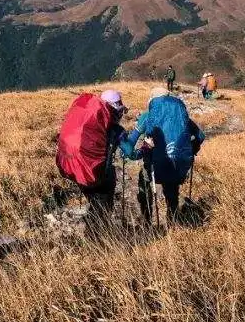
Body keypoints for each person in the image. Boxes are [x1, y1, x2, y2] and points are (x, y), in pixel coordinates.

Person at [121, 88, 205, 225]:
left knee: (144, 183)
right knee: (171, 191)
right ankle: (173, 222)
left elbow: (131, 142)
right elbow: (201, 136)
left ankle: (146, 220)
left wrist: (127, 148)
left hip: (154, 165)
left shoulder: (148, 117)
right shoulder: (182, 118)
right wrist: (191, 149)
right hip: (176, 163)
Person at [55, 90, 132, 237]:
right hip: (97, 175)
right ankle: (94, 239)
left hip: (78, 169)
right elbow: (130, 153)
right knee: (102, 206)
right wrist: (146, 147)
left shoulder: (88, 123)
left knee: (94, 201)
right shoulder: (116, 130)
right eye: (120, 111)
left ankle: (94, 229)